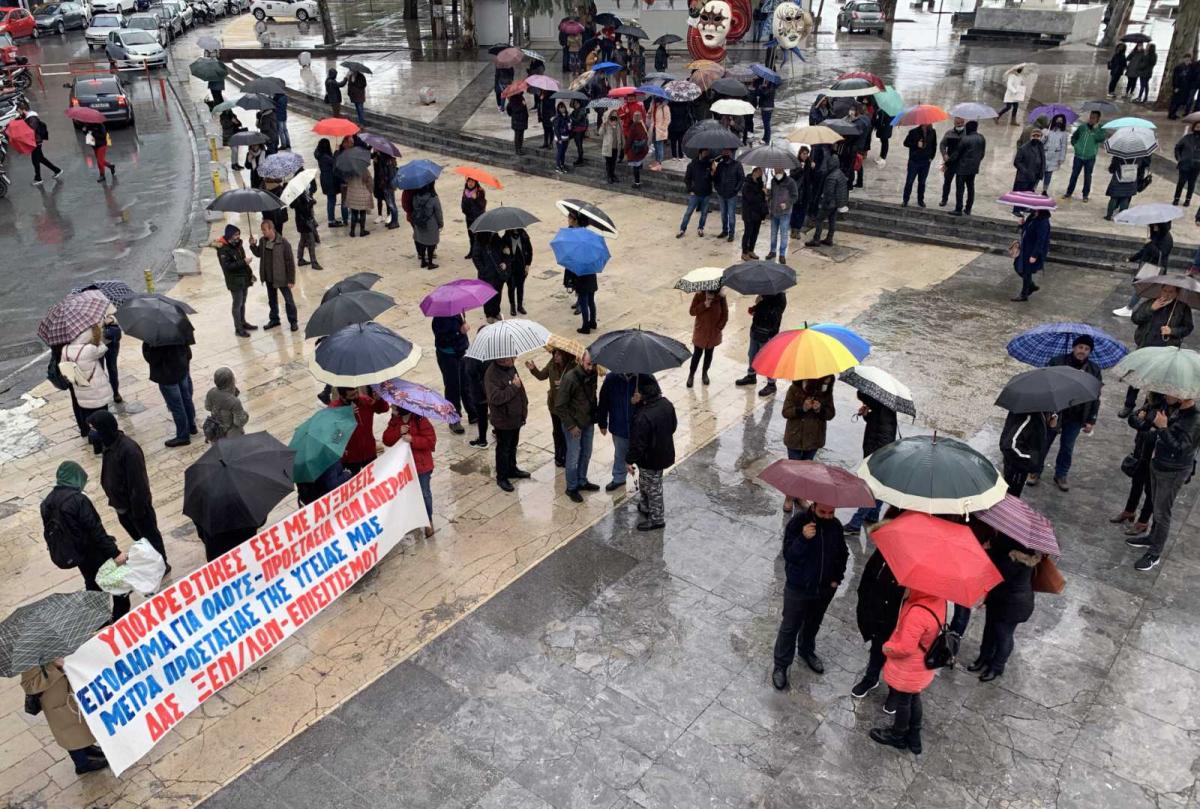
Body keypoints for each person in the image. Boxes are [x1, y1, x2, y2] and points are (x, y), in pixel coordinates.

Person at [771, 501, 849, 689]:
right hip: (798, 588)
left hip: (823, 589)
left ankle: (806, 651)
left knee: (813, 622)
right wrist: (803, 539)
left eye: (832, 512)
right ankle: (781, 665)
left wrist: (836, 579)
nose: (828, 516)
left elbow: (843, 553)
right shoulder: (798, 523)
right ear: (814, 506)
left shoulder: (836, 526)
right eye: (824, 511)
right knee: (789, 627)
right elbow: (789, 555)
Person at [40, 460, 129, 621]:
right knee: (120, 587)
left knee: (93, 586)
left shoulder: (46, 503)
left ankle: (98, 623)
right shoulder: (78, 500)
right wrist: (115, 553)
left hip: (78, 555)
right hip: (95, 552)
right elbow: (95, 530)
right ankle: (120, 620)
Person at [88, 410, 169, 570]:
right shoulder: (109, 444)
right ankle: (151, 561)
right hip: (122, 506)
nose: (92, 433)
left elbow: (139, 485)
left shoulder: (129, 450)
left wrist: (138, 511)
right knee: (140, 539)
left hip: (136, 508)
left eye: (94, 429)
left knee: (150, 537)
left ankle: (161, 565)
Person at [1127, 395, 1200, 571]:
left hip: (1173, 471)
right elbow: (1143, 424)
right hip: (1158, 463)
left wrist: (1162, 427)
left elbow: (1181, 448)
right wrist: (1144, 417)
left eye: (1171, 393)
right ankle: (1152, 537)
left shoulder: (1195, 419)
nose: (1166, 395)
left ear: (1184, 396)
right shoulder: (1174, 409)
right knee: (1154, 503)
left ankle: (1155, 553)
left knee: (1162, 512)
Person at [868, 587, 944, 754]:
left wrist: (887, 648)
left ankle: (898, 735)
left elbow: (905, 648)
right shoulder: (940, 600)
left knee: (903, 700)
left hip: (909, 666)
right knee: (913, 697)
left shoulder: (917, 612)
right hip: (922, 664)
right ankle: (914, 735)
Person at [1028, 336, 1101, 491]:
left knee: (1067, 447)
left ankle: (1061, 474)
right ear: (1074, 348)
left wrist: (1091, 419)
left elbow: (1096, 396)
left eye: (1087, 349)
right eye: (1080, 347)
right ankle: (1035, 471)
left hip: (1077, 415)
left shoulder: (1094, 369)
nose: (1083, 351)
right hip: (1055, 412)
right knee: (1043, 443)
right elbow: (1044, 385)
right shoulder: (1057, 362)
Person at [968, 530, 1040, 682]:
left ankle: (997, 667)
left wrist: (986, 552)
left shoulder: (1017, 559)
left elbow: (997, 572)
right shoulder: (1004, 547)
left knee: (1003, 635)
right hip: (998, 598)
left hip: (1014, 605)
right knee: (989, 630)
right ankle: (983, 659)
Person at [22, 661, 109, 775]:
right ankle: (82, 764)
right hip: (56, 702)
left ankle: (87, 748)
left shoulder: (51, 646)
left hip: (70, 694)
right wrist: (55, 668)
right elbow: (30, 685)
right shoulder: (28, 657)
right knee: (69, 732)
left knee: (80, 725)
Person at [1119, 287, 1195, 414]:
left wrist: (1172, 331)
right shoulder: (1150, 302)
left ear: (1177, 293)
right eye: (1165, 291)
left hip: (1166, 350)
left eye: (1171, 292)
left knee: (1157, 381)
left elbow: (1188, 328)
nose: (1167, 294)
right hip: (1146, 345)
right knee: (1136, 377)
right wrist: (1151, 309)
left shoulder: (1182, 308)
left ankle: (1148, 407)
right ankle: (1128, 405)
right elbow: (1136, 318)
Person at [852, 547, 905, 699]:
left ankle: (895, 691)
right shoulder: (890, 547)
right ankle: (871, 677)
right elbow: (870, 574)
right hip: (881, 608)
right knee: (878, 644)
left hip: (904, 616)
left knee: (898, 653)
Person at [627, 374, 677, 530]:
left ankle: (657, 518)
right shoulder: (667, 404)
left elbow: (638, 444)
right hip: (664, 452)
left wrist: (629, 460)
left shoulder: (643, 416)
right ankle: (645, 506)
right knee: (647, 482)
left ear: (641, 393)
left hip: (650, 458)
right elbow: (673, 426)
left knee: (653, 487)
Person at [780, 376, 836, 510]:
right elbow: (786, 411)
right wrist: (802, 408)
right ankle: (789, 497)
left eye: (827, 384)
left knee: (806, 469)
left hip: (814, 437)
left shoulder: (825, 393)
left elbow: (830, 414)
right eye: (823, 383)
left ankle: (801, 496)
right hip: (795, 436)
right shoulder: (795, 389)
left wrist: (819, 409)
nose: (825, 386)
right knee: (794, 469)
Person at [844, 390, 897, 532]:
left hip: (878, 457)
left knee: (871, 489)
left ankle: (855, 523)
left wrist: (873, 458)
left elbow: (885, 437)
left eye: (865, 401)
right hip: (877, 455)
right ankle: (873, 514)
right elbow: (877, 425)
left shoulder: (885, 412)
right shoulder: (882, 408)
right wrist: (868, 415)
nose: (864, 403)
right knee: (877, 488)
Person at [383, 405, 437, 537]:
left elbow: (431, 442)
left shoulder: (420, 420)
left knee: (424, 494)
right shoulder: (395, 421)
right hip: (405, 466)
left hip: (422, 466)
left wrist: (413, 439)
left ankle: (428, 520)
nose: (391, 408)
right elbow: (386, 440)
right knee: (409, 494)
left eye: (395, 407)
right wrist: (398, 432)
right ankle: (414, 519)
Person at [1115, 393, 1163, 537]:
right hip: (1141, 448)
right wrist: (1146, 425)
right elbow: (1132, 418)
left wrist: (1145, 425)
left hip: (1156, 454)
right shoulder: (1152, 402)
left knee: (1150, 488)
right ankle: (1129, 511)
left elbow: (1163, 432)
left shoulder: (1170, 409)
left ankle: (1143, 522)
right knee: (1137, 481)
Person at [555, 351, 600, 502]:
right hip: (573, 425)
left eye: (593, 364)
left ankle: (582, 480)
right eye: (588, 364)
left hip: (588, 422)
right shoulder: (570, 378)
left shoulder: (593, 373)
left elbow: (593, 396)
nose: (591, 367)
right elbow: (559, 406)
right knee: (573, 456)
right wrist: (571, 426)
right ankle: (571, 487)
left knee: (586, 452)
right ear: (581, 360)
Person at [61, 325, 112, 454]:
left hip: (81, 391)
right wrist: (97, 339)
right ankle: (104, 441)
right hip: (96, 390)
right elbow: (103, 348)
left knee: (90, 419)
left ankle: (94, 441)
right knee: (102, 417)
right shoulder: (90, 349)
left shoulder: (65, 349)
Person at [142, 330, 196, 448]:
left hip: (167, 375)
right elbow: (188, 346)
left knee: (176, 406)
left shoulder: (154, 334)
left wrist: (146, 346)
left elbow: (153, 358)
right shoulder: (178, 324)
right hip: (182, 368)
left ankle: (183, 436)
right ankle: (192, 426)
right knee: (186, 399)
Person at [485, 357, 529, 492]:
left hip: (515, 417)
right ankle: (502, 477)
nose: (514, 358)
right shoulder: (491, 374)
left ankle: (512, 468)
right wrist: (513, 387)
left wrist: (524, 407)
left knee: (513, 445)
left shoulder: (510, 367)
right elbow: (495, 398)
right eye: (511, 358)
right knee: (503, 449)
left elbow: (520, 388)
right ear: (502, 359)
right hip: (503, 420)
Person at [528, 348, 577, 468]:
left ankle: (568, 455)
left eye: (559, 354)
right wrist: (533, 369)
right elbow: (541, 376)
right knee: (557, 432)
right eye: (554, 354)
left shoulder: (573, 366)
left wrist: (565, 384)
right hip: (554, 405)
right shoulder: (551, 364)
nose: (556, 356)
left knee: (566, 431)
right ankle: (558, 456)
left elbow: (578, 386)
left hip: (567, 407)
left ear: (565, 355)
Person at [249, 218, 298, 331]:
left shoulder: (283, 242)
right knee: (272, 300)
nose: (263, 232)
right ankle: (274, 319)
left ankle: (293, 321)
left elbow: (290, 262)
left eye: (264, 230)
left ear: (271, 229)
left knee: (289, 300)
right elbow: (258, 254)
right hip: (268, 276)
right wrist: (252, 245)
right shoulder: (262, 241)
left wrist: (291, 279)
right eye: (262, 230)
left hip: (282, 277)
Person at [735, 292, 787, 395]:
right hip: (756, 330)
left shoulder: (780, 298)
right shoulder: (764, 291)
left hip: (768, 334)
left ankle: (771, 384)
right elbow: (760, 312)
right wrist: (756, 308)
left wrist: (761, 303)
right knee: (752, 354)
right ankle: (751, 376)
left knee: (768, 359)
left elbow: (774, 317)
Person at [330, 387, 389, 475]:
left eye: (357, 391)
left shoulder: (365, 400)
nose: (357, 396)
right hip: (349, 458)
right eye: (352, 395)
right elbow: (334, 438)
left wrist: (379, 399)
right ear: (342, 397)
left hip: (369, 452)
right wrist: (347, 416)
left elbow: (384, 409)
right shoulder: (333, 409)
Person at [431, 314, 473, 435]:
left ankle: (472, 412)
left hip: (461, 352)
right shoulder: (439, 319)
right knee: (453, 387)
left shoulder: (457, 312)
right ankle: (454, 419)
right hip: (448, 356)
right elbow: (442, 339)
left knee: (466, 383)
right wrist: (459, 332)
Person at [215, 223, 257, 337]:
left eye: (238, 234)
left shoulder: (238, 245)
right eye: (235, 235)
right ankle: (238, 328)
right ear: (229, 236)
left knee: (243, 302)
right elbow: (227, 267)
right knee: (237, 304)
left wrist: (250, 274)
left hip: (243, 279)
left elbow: (242, 260)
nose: (238, 237)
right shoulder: (222, 249)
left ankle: (243, 322)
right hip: (234, 281)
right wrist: (244, 262)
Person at [999, 409, 1054, 496]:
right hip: (1017, 468)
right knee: (1011, 496)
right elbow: (1010, 445)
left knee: (1012, 494)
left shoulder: (1038, 412)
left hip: (1021, 466)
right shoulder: (1028, 416)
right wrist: (1032, 458)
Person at [687, 289, 728, 388]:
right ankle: (691, 375)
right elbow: (692, 311)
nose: (711, 294)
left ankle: (704, 373)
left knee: (709, 354)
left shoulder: (721, 297)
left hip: (713, 332)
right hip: (701, 331)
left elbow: (725, 314)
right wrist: (704, 305)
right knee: (697, 354)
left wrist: (719, 327)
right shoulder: (699, 295)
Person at [1063, 110, 1105, 202]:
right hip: (1078, 156)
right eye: (1091, 117)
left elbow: (1100, 138)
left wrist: (1095, 129)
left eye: (1094, 118)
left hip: (1090, 157)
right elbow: (1074, 137)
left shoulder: (1101, 129)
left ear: (1098, 119)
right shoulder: (1082, 127)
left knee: (1088, 176)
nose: (1091, 119)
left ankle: (1085, 195)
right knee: (1074, 175)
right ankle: (1069, 192)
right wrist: (1076, 145)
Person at [1011, 209, 1051, 302]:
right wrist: (1022, 224)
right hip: (1025, 247)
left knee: (1026, 271)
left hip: (1032, 250)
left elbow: (1040, 240)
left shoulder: (1043, 222)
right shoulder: (1033, 216)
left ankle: (1024, 294)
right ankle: (1031, 285)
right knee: (1017, 266)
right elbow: (1027, 229)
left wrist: (1034, 255)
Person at [806, 162, 848, 247]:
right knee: (832, 221)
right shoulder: (840, 173)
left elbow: (828, 193)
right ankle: (829, 238)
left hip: (829, 203)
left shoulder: (831, 177)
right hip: (837, 202)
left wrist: (824, 203)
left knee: (819, 219)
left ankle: (816, 239)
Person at [20, 107, 63, 186]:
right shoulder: (29, 117)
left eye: (21, 111)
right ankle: (57, 170)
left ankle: (38, 178)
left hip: (36, 141)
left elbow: (31, 129)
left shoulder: (32, 118)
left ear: (24, 110)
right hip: (35, 141)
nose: (20, 112)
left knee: (35, 160)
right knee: (41, 159)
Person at [203, 367, 248, 442]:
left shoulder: (211, 392)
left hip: (216, 430)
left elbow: (207, 407)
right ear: (231, 381)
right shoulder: (234, 402)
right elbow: (238, 422)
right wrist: (245, 415)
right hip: (231, 434)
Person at [678, 147, 713, 237]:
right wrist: (690, 190)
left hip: (706, 193)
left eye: (707, 152)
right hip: (695, 193)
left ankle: (701, 228)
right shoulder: (692, 165)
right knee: (688, 212)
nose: (706, 154)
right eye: (705, 152)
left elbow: (712, 179)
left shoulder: (710, 164)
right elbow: (687, 179)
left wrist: (713, 172)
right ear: (700, 153)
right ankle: (682, 229)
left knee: (704, 213)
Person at [765, 167, 797, 262]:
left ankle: (782, 254)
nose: (775, 171)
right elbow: (772, 195)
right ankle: (772, 251)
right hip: (774, 212)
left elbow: (795, 196)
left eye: (777, 169)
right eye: (774, 169)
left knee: (784, 234)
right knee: (773, 233)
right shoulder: (773, 181)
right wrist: (768, 195)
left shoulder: (790, 182)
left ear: (782, 169)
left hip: (785, 213)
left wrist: (787, 204)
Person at [712, 148, 744, 242]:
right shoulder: (720, 165)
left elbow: (741, 178)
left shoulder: (737, 165)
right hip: (721, 193)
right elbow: (716, 178)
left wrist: (735, 190)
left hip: (731, 194)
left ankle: (731, 233)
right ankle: (724, 230)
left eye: (727, 151)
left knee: (731, 215)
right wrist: (717, 186)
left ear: (731, 152)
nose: (725, 153)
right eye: (724, 151)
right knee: (723, 215)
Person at [901, 123, 936, 207]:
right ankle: (905, 200)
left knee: (922, 182)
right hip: (914, 161)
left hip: (925, 161)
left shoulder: (932, 132)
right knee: (909, 181)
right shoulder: (913, 132)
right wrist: (916, 144)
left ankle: (920, 200)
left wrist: (931, 157)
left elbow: (934, 145)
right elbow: (905, 143)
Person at [411, 182, 444, 269]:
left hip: (419, 223)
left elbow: (413, 208)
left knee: (421, 242)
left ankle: (423, 261)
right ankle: (430, 263)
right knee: (431, 243)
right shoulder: (434, 198)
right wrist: (440, 224)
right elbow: (438, 213)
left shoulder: (415, 196)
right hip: (431, 224)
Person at [1104, 155, 1146, 220]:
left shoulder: (1119, 155)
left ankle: (1109, 215)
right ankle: (1122, 217)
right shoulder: (1139, 156)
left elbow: (1112, 168)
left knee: (1114, 197)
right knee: (1125, 198)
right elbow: (1140, 167)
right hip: (1131, 179)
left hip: (1118, 179)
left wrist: (1111, 169)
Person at [500, 228, 532, 316]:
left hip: (521, 266)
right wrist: (504, 250)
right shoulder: (505, 237)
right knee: (511, 287)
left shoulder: (524, 236)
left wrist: (528, 265)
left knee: (520, 287)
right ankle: (513, 306)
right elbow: (500, 251)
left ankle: (520, 306)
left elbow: (530, 251)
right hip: (510, 267)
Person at [291, 184, 322, 269]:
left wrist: (310, 201)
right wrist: (310, 204)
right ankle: (314, 262)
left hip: (302, 222)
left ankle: (300, 259)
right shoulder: (299, 198)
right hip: (304, 223)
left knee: (302, 241)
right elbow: (303, 210)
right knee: (311, 242)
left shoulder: (301, 195)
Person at [740, 166, 768, 260]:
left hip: (758, 213)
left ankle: (751, 250)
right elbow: (751, 198)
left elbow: (761, 199)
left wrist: (764, 194)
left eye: (762, 172)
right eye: (759, 172)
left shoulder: (760, 183)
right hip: (749, 213)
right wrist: (762, 193)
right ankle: (744, 252)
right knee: (748, 233)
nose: (761, 174)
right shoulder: (747, 184)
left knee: (755, 233)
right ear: (754, 172)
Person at [938, 117, 965, 208]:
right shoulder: (949, 133)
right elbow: (942, 144)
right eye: (957, 123)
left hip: (961, 163)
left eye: (960, 123)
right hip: (950, 162)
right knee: (947, 182)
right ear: (954, 123)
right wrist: (944, 154)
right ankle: (944, 199)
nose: (959, 125)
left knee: (960, 184)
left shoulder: (967, 134)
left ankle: (959, 204)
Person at [315, 138, 342, 227]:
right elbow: (335, 162)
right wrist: (336, 151)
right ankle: (331, 220)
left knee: (331, 200)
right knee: (331, 200)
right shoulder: (325, 157)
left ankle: (332, 219)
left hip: (325, 179)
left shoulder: (320, 155)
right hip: (329, 180)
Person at [1012, 128, 1045, 198]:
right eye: (1034, 136)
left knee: (1028, 196)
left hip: (1034, 178)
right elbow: (1016, 162)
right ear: (1031, 136)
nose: (1036, 138)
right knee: (1019, 197)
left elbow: (1042, 161)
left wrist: (1041, 173)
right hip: (1023, 178)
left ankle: (1025, 209)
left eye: (1038, 136)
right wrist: (1026, 171)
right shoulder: (1023, 148)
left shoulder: (1041, 147)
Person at [1040, 114, 1068, 195]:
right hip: (1045, 154)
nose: (1059, 122)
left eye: (1061, 121)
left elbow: (1063, 146)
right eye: (1057, 120)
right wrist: (1044, 136)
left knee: (1048, 174)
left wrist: (1061, 158)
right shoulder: (1047, 131)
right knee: (1039, 172)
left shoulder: (1063, 134)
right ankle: (1033, 187)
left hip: (1054, 157)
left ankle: (1045, 190)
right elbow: (1041, 143)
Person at [343, 165, 373, 238]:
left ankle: (352, 231)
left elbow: (346, 180)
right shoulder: (364, 169)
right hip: (363, 193)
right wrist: (370, 190)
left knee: (354, 212)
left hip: (353, 193)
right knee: (363, 212)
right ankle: (362, 231)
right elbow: (369, 180)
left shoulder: (349, 170)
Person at [1174, 123, 1200, 206]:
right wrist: (1179, 158)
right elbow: (1178, 147)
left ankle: (1188, 199)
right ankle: (1176, 198)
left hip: (1196, 165)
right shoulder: (1187, 137)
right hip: (1184, 164)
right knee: (1181, 182)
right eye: (1197, 126)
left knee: (1191, 183)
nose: (1198, 128)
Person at [461, 177, 487, 259]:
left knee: (478, 236)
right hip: (469, 218)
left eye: (472, 181)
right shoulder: (465, 191)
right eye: (469, 181)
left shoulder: (480, 191)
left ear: (476, 182)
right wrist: (465, 211)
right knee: (471, 236)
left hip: (478, 218)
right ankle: (472, 251)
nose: (470, 183)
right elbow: (463, 204)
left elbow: (482, 205)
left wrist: (476, 199)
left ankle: (479, 252)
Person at [623, 109, 650, 188]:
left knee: (635, 167)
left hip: (635, 150)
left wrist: (625, 150)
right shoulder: (643, 125)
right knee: (639, 163)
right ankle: (640, 171)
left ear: (634, 118)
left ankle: (637, 183)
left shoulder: (634, 127)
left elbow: (629, 140)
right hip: (642, 149)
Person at [372, 152, 398, 229]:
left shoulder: (388, 160)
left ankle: (393, 219)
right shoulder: (378, 158)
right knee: (383, 199)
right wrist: (375, 163)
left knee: (390, 203)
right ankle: (389, 219)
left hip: (387, 185)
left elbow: (388, 173)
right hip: (382, 183)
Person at [600, 108, 624, 184]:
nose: (614, 118)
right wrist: (603, 124)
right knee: (608, 163)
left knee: (613, 162)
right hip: (608, 147)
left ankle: (612, 175)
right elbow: (600, 133)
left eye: (615, 116)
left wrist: (623, 144)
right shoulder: (606, 124)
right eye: (612, 116)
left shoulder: (619, 123)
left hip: (616, 147)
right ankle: (609, 176)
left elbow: (621, 135)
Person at [1169, 54, 1194, 119]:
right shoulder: (1179, 67)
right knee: (1175, 101)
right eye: (1186, 59)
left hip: (1185, 87)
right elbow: (1175, 77)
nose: (1187, 61)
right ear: (1184, 59)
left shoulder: (1190, 67)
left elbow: (1191, 77)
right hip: (1179, 86)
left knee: (1179, 101)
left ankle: (1174, 113)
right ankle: (1171, 114)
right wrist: (1176, 86)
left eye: (1189, 60)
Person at [552, 100, 572, 173]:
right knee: (560, 152)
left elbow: (569, 126)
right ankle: (558, 166)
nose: (562, 109)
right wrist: (559, 138)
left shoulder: (567, 116)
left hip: (566, 137)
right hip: (560, 138)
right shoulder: (557, 117)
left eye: (563, 107)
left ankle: (562, 165)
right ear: (558, 109)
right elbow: (556, 129)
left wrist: (569, 127)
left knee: (563, 152)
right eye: (560, 108)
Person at [570, 99, 590, 165]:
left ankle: (580, 159)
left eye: (577, 103)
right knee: (578, 144)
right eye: (574, 103)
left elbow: (577, 120)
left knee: (579, 144)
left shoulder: (582, 110)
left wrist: (571, 117)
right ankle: (580, 158)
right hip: (575, 129)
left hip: (580, 130)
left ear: (579, 103)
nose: (575, 104)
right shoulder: (574, 111)